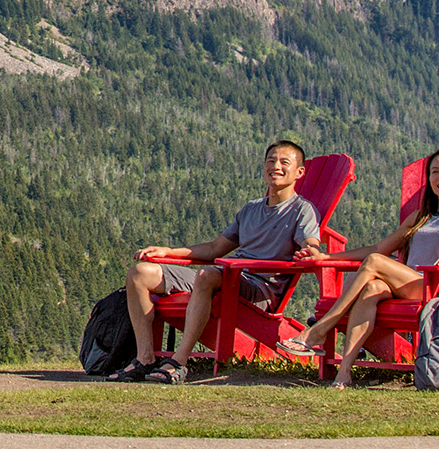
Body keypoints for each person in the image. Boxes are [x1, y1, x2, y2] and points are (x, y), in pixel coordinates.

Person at [110, 140, 322, 384]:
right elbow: (215, 248)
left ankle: (179, 361)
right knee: (139, 273)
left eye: (285, 162)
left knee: (207, 275)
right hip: (227, 275)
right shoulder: (251, 209)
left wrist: (310, 251)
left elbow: (310, 242)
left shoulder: (302, 210)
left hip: (259, 289)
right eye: (271, 161)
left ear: (299, 172)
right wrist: (168, 251)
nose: (276, 166)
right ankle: (145, 358)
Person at [276, 148, 439, 388]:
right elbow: (379, 247)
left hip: (437, 288)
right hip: (410, 284)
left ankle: (320, 329)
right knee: (371, 288)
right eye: (435, 172)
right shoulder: (419, 217)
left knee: (376, 262)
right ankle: (343, 373)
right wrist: (327, 257)